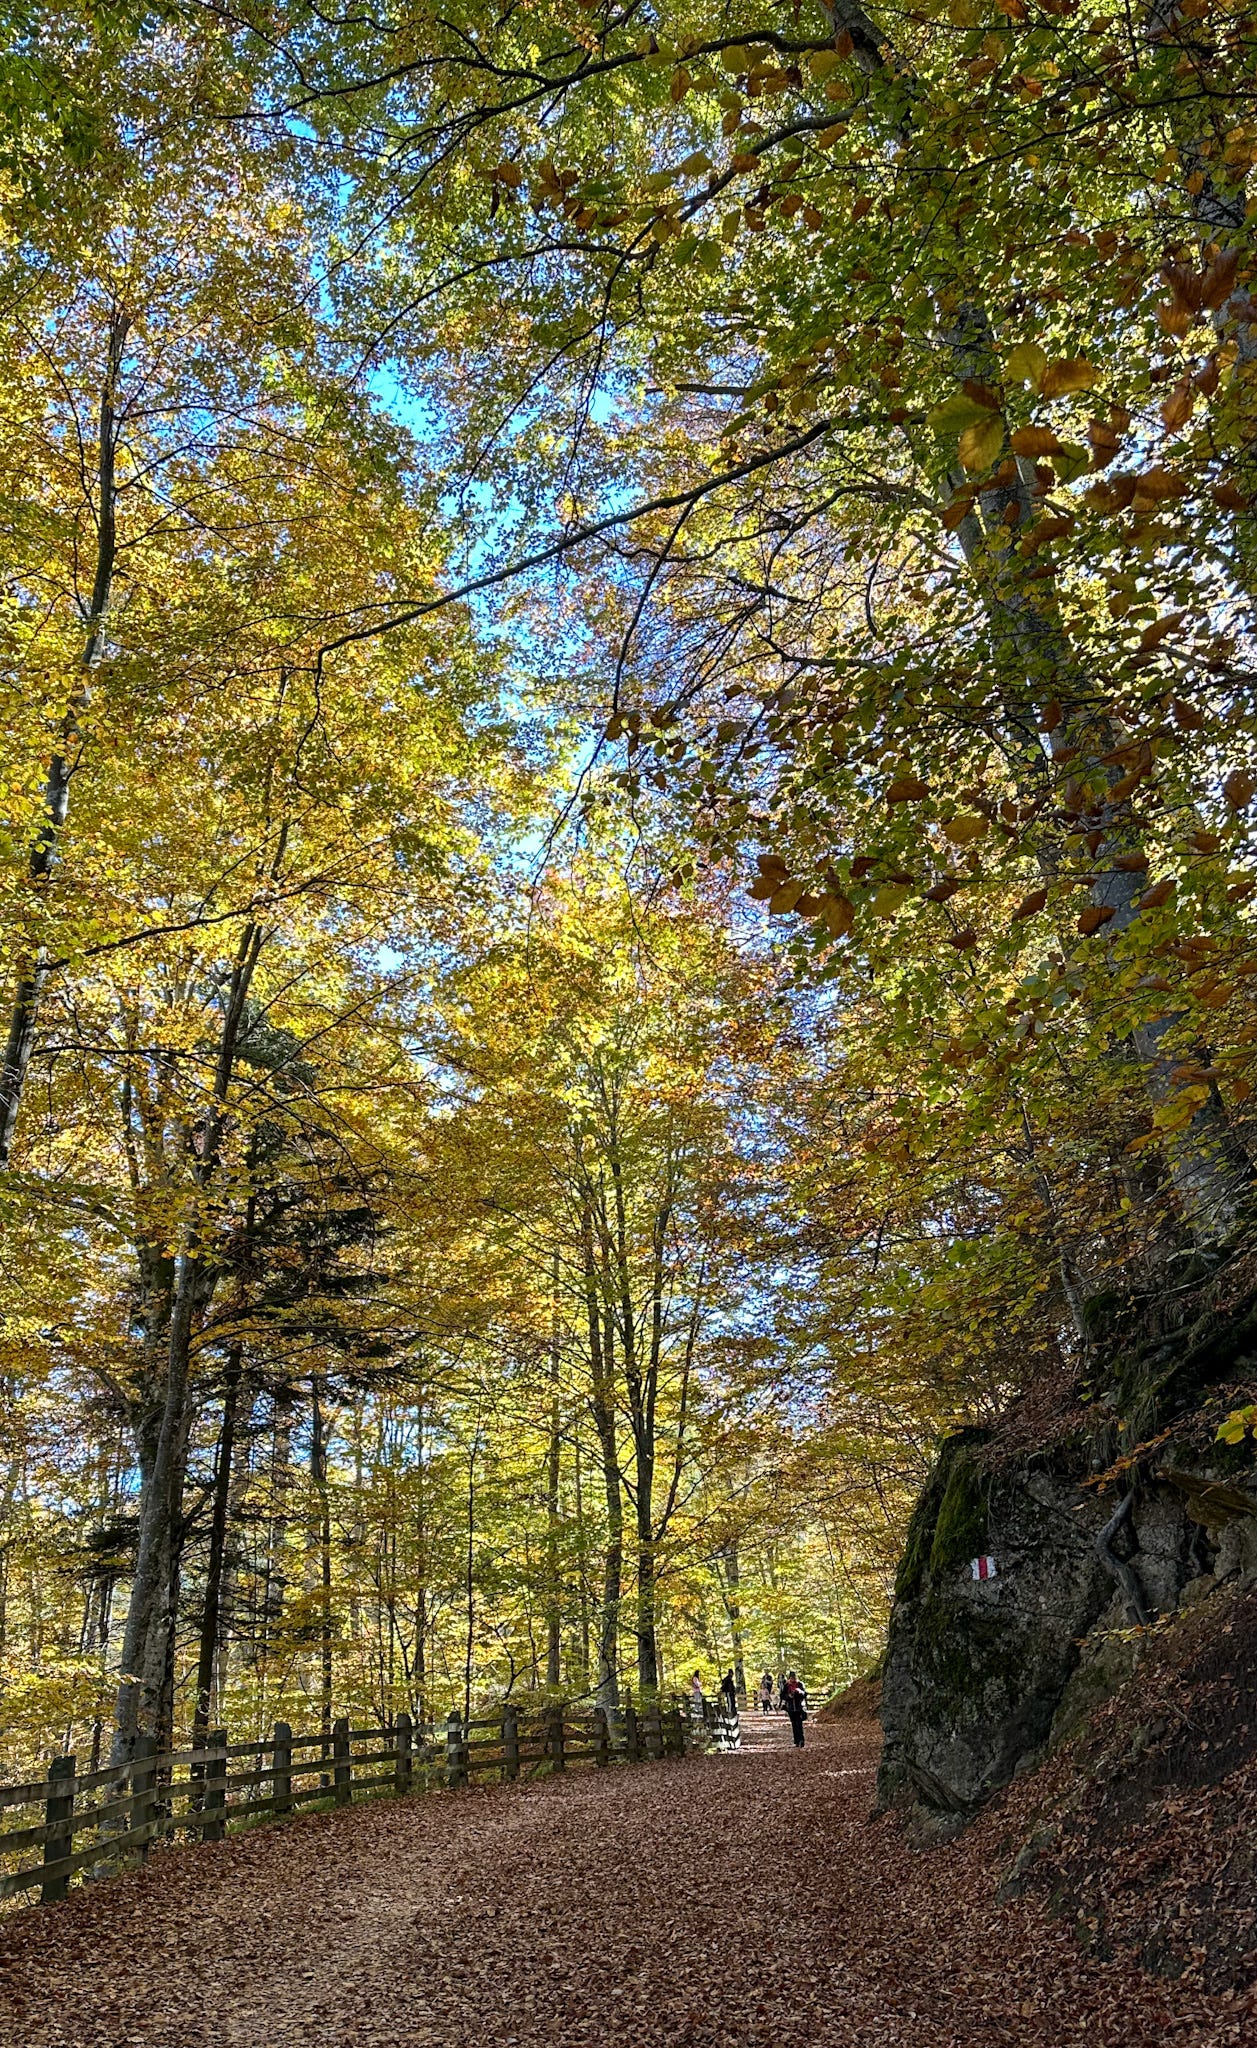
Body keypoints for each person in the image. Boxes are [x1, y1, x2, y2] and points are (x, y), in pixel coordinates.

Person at [781, 1670, 809, 1749]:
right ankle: (796, 1740)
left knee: (799, 1724)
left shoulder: (800, 1684)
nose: (793, 1679)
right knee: (794, 1724)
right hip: (790, 1708)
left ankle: (801, 1740)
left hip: (799, 1707)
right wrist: (789, 1696)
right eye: (792, 1678)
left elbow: (805, 1694)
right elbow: (782, 1695)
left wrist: (800, 1692)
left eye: (794, 1677)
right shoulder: (786, 1685)